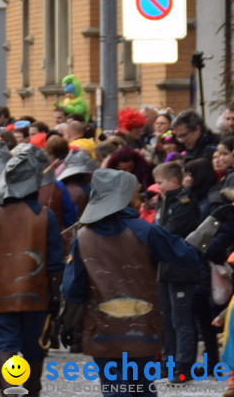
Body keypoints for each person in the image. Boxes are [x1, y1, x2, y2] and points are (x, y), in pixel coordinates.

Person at [62, 169, 203, 395]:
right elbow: (190, 258)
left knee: (114, 389)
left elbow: (72, 290)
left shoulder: (83, 237)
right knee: (142, 389)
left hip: (103, 328)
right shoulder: (146, 231)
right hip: (142, 327)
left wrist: (68, 320)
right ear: (126, 197)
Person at [0, 149, 64, 397]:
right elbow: (54, 263)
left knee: (4, 346)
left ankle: (10, 388)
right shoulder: (44, 215)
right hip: (37, 296)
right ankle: (31, 392)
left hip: (0, 296)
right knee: (34, 348)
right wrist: (55, 298)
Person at [152, 161, 201, 380]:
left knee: (181, 319)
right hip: (165, 267)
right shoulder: (165, 201)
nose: (157, 186)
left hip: (181, 266)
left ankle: (183, 364)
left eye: (160, 182)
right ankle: (167, 361)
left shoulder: (185, 202)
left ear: (173, 181)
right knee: (167, 318)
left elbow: (169, 231)